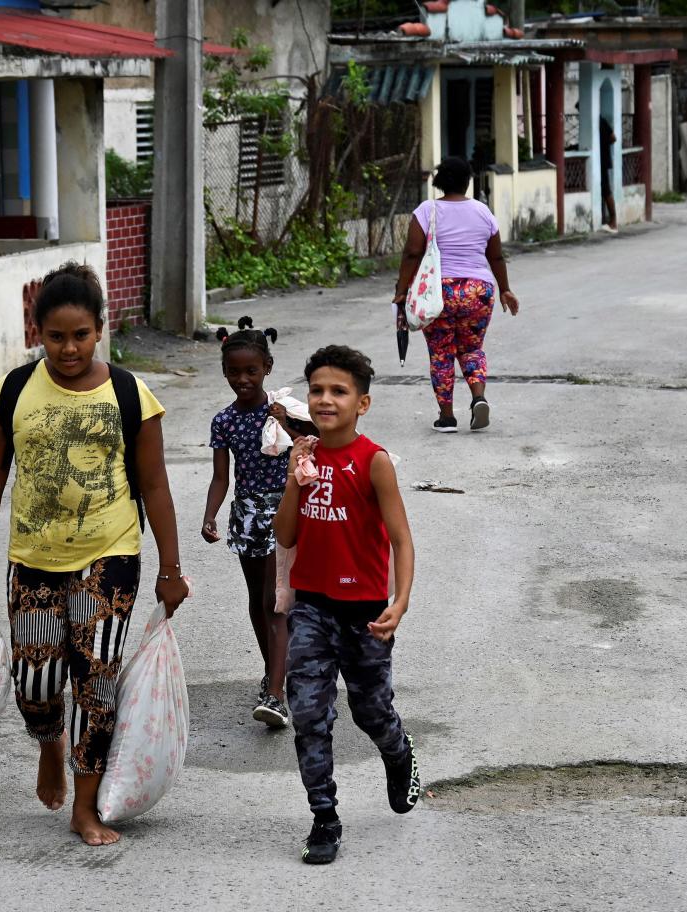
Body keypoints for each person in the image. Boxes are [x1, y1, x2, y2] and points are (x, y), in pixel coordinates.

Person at [0, 262, 188, 847]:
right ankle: (49, 743)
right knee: (36, 685)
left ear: (100, 329)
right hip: (32, 557)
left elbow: (155, 485)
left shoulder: (131, 395)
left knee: (95, 682)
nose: (69, 348)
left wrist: (170, 567)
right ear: (38, 332)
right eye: (56, 336)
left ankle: (85, 806)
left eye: (81, 334)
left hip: (110, 557)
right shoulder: (11, 392)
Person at [273, 345, 419, 866]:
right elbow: (284, 535)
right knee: (310, 714)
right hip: (312, 607)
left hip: (365, 612)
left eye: (339, 391)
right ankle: (324, 819)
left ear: (363, 403)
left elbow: (401, 539)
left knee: (370, 710)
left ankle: (399, 754)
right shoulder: (304, 456)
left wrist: (399, 603)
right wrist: (294, 474)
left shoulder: (373, 461)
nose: (325, 399)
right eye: (317, 390)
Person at [201, 327, 306, 729]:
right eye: (233, 372)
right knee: (257, 599)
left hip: (284, 511)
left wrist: (288, 425)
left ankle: (276, 694)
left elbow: (312, 445)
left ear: (267, 368)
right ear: (225, 372)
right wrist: (210, 515)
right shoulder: (224, 421)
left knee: (275, 601)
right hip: (246, 516)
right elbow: (220, 479)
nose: (242, 379)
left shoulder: (283, 410)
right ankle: (273, 674)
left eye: (251, 371)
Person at [393, 155, 520, 433]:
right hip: (479, 291)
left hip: (439, 292)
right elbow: (496, 256)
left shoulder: (427, 211)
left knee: (441, 353)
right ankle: (478, 398)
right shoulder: (484, 212)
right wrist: (505, 289)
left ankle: (447, 417)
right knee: (472, 348)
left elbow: (413, 252)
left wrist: (402, 291)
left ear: (439, 182)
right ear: (467, 181)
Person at [599, 116, 619, 233]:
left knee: (606, 190)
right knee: (604, 189)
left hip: (603, 160)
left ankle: (613, 221)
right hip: (601, 159)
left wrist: (602, 144)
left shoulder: (601, 121)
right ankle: (609, 220)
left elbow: (613, 138)